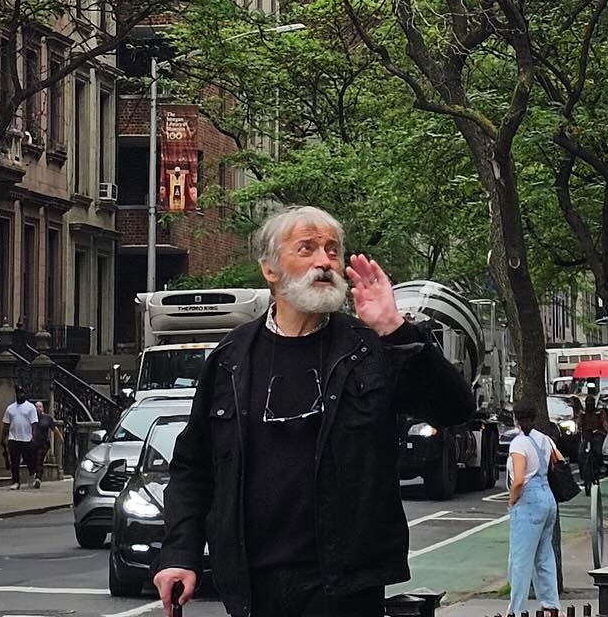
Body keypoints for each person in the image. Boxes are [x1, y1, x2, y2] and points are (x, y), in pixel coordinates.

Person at [155, 205, 475, 617]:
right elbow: (193, 468)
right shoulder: (232, 357)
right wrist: (179, 553)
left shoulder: (369, 348)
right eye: (306, 249)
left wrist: (395, 328)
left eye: (333, 250)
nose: (325, 261)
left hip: (345, 589)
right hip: (253, 587)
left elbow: (453, 409)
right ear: (270, 269)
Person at [506, 404, 560, 617]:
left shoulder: (519, 443)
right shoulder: (544, 439)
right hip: (548, 498)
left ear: (516, 419)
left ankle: (517, 610)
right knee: (544, 555)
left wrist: (512, 501)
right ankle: (551, 605)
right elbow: (559, 459)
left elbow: (518, 480)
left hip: (528, 502)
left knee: (520, 558)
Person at [1, 385, 39, 489]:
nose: (19, 395)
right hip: (13, 438)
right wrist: (3, 437)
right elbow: (6, 424)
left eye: (21, 392)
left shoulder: (30, 407)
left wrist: (33, 436)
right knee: (14, 461)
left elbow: (34, 423)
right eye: (18, 393)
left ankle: (32, 475)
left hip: (26, 438)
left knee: (28, 459)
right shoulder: (10, 408)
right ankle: (16, 482)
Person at [577, 388, 608, 487]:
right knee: (580, 453)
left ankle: (600, 466)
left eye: (591, 403)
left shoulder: (599, 412)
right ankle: (583, 475)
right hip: (586, 435)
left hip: (598, 435)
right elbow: (579, 422)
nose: (590, 405)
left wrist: (605, 431)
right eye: (588, 403)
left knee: (597, 451)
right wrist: (578, 429)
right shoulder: (583, 413)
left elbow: (604, 422)